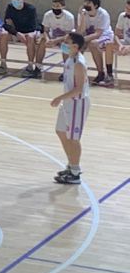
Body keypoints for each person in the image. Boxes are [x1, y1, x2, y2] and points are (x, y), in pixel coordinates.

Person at [51, 33, 90, 185]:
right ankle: (70, 163)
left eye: (67, 42)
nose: (64, 43)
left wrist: (59, 98)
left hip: (77, 103)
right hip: (68, 102)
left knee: (74, 138)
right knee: (61, 131)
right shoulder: (70, 58)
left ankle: (75, 172)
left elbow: (79, 89)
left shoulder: (79, 63)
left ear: (75, 46)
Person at [0, 0, 40, 78]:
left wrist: (20, 31)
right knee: (3, 34)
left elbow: (33, 26)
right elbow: (6, 25)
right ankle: (3, 63)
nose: (15, 1)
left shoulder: (31, 9)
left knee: (30, 37)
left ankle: (30, 66)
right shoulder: (10, 7)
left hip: (27, 32)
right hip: (15, 33)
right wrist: (16, 33)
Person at [78, 0, 115, 87]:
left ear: (95, 5)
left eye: (88, 3)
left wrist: (83, 39)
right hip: (89, 36)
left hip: (104, 36)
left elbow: (98, 34)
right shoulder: (83, 13)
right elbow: (81, 31)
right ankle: (75, 72)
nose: (86, 4)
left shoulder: (103, 14)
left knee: (93, 43)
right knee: (76, 46)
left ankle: (102, 73)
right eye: (85, 2)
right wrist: (82, 17)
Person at [37, 0, 77, 69]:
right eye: (54, 6)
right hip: (52, 36)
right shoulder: (47, 15)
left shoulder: (69, 17)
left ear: (63, 6)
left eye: (58, 6)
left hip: (65, 37)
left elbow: (68, 34)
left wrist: (56, 40)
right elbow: (45, 31)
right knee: (42, 42)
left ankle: (67, 69)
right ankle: (38, 66)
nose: (55, 8)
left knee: (66, 45)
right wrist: (47, 39)